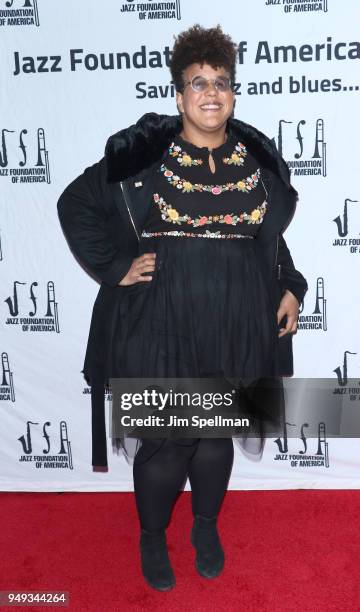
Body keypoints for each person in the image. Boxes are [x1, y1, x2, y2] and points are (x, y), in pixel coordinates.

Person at [57, 24, 308, 591]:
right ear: (179, 94)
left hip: (236, 317)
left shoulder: (255, 158)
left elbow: (268, 237)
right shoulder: (145, 155)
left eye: (221, 81)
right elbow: (75, 202)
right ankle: (150, 535)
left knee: (215, 433)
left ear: (234, 92)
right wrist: (114, 267)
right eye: (198, 83)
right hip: (160, 317)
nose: (211, 92)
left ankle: (205, 527)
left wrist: (290, 284)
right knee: (170, 437)